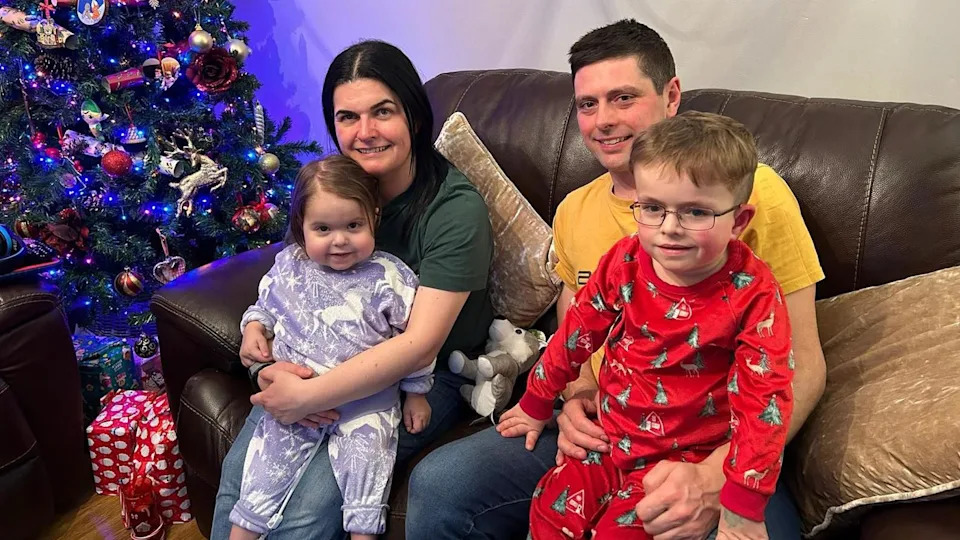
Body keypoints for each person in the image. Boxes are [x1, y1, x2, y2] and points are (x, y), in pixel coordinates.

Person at [407, 19, 825, 540]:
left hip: (720, 448)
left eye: (623, 97)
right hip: (606, 431)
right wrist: (574, 398)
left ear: (671, 95)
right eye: (587, 104)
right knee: (443, 483)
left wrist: (719, 478)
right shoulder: (575, 212)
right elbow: (576, 332)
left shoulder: (750, 193)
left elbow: (801, 366)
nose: (602, 121)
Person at [210, 40, 495, 540]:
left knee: (305, 514)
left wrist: (306, 396)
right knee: (240, 491)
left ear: (413, 115)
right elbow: (290, 285)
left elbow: (419, 344)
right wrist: (263, 358)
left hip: (416, 380)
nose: (364, 133)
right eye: (347, 117)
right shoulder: (333, 191)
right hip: (318, 357)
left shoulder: (455, 210)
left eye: (382, 112)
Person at [500, 111, 793, 539]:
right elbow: (577, 333)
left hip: (684, 464)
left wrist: (744, 503)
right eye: (653, 208)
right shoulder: (626, 258)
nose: (669, 229)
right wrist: (536, 402)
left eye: (696, 212)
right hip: (606, 440)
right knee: (549, 513)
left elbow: (765, 401)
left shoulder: (755, 293)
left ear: (740, 221)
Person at [228, 155, 435, 540]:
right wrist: (254, 326)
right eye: (322, 228)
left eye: (353, 226)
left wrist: (416, 394)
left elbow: (417, 342)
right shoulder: (289, 264)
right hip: (294, 397)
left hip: (367, 400)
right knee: (262, 474)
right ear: (301, 227)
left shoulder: (392, 276)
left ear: (374, 218)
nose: (339, 240)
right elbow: (266, 304)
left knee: (368, 473)